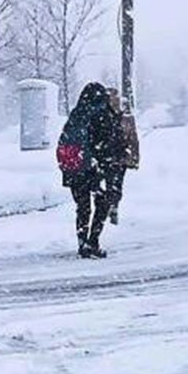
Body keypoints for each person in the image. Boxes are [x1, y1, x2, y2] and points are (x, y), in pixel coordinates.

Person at [58, 83, 124, 258]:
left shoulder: (77, 113)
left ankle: (82, 242)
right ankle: (93, 241)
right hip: (96, 168)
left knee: (82, 206)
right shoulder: (102, 114)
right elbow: (109, 142)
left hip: (75, 168)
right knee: (102, 203)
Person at [104, 87, 140, 225]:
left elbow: (133, 139)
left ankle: (113, 207)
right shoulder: (103, 117)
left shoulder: (126, 118)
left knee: (116, 183)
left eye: (115, 97)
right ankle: (110, 207)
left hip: (120, 156)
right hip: (107, 156)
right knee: (110, 183)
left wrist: (134, 158)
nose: (115, 100)